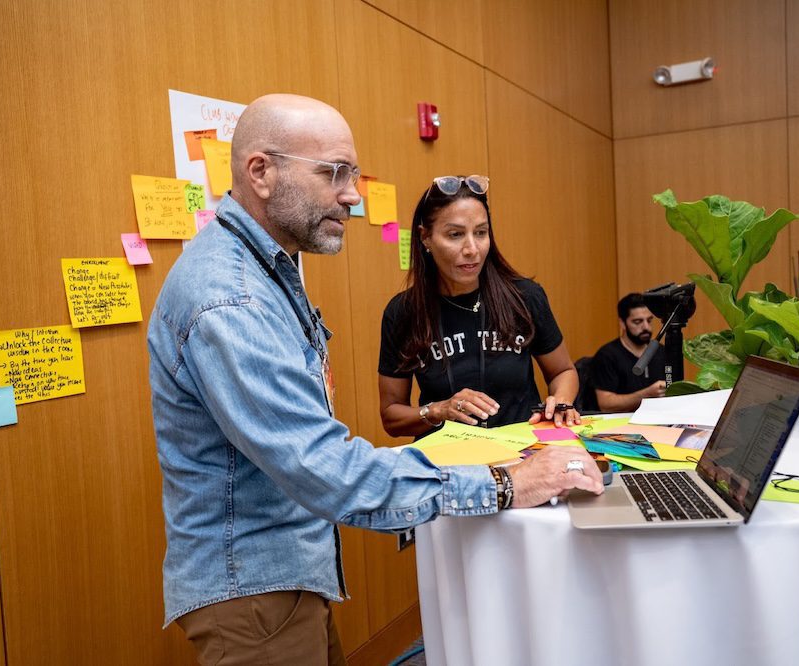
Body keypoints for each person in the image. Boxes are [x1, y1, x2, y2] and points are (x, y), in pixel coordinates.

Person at [147, 93, 604, 666]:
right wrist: (505, 483)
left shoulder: (266, 273)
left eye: (354, 175)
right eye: (334, 173)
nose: (352, 195)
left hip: (281, 578)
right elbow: (326, 467)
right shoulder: (231, 299)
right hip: (252, 589)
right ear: (260, 173)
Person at [378, 175, 581, 436]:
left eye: (481, 233)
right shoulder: (402, 313)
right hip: (448, 465)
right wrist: (439, 410)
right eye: (455, 234)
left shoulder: (525, 297)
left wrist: (561, 401)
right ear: (425, 238)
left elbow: (563, 371)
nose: (472, 249)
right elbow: (391, 415)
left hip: (521, 455)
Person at [590, 293, 667, 412]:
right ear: (622, 323)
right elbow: (606, 404)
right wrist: (647, 394)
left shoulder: (661, 351)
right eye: (637, 322)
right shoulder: (607, 355)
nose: (646, 327)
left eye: (649, 320)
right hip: (621, 424)